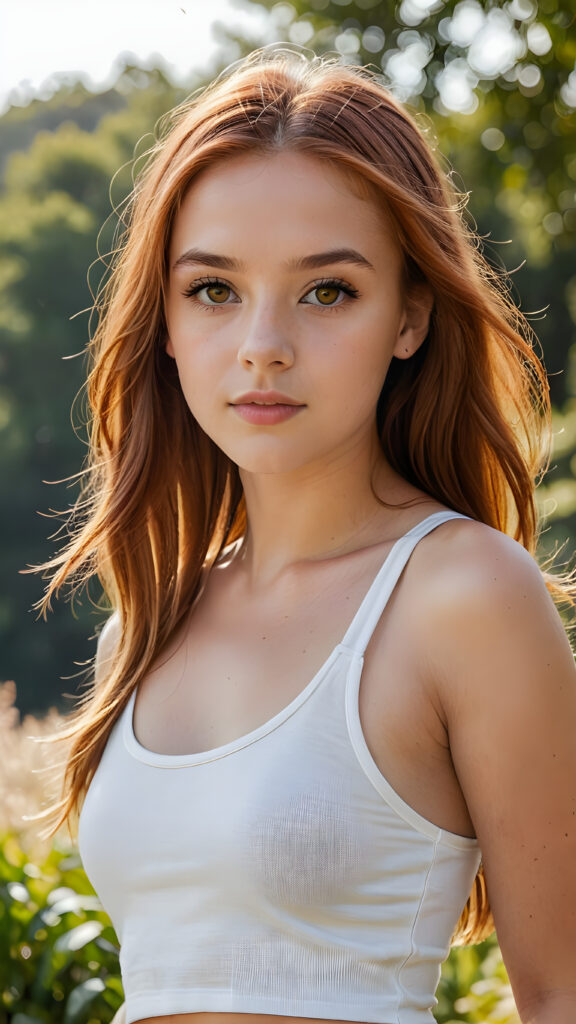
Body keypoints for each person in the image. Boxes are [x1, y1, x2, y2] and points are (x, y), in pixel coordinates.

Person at [38, 44, 576, 1024]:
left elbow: (562, 991)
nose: (262, 346)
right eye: (214, 289)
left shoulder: (464, 596)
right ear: (161, 319)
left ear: (410, 314)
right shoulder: (148, 626)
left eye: (327, 290)